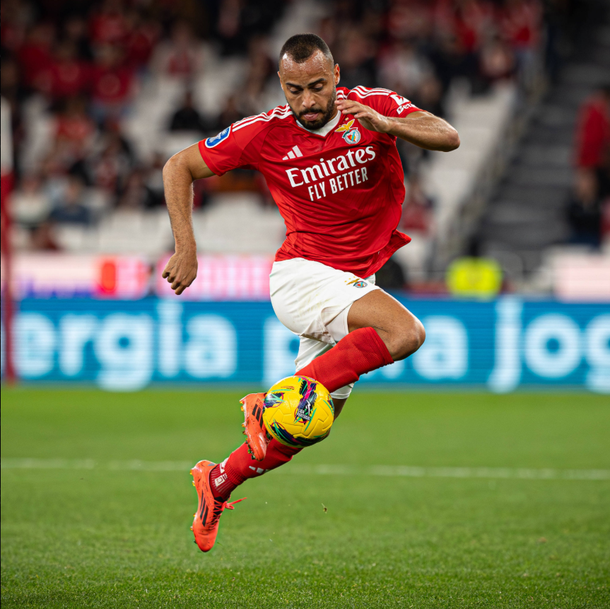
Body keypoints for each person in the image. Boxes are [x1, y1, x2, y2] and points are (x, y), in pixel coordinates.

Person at [161, 34, 459, 552]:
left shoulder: (374, 106)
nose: (308, 101)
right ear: (281, 84)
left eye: (318, 86)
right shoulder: (264, 132)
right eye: (295, 90)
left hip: (351, 283)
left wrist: (389, 126)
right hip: (302, 276)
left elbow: (448, 135)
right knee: (405, 332)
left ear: (337, 75)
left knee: (307, 424)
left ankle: (217, 481)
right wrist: (186, 247)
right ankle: (266, 405)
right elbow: (178, 166)